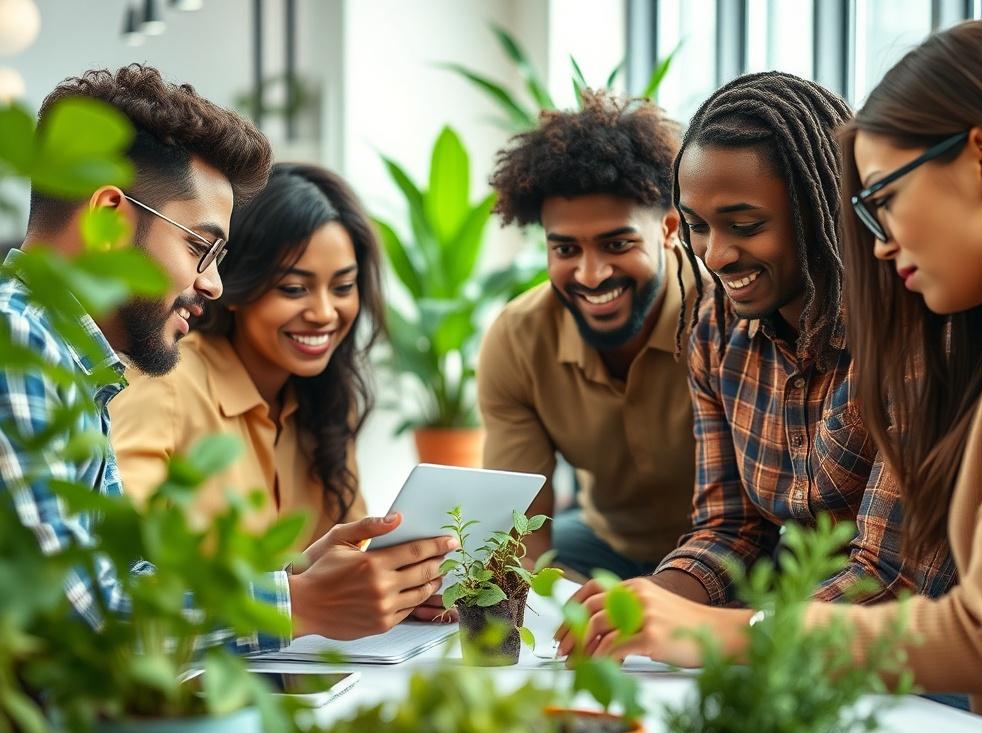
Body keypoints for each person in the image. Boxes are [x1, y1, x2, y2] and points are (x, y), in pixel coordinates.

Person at [560, 18, 982, 726]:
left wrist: (721, 633)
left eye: (885, 199)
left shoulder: (929, 323)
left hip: (911, 657)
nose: (882, 238)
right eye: (698, 227)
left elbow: (928, 598)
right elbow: (728, 527)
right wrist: (648, 610)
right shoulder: (717, 324)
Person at [0, 66, 453, 652]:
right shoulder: (18, 341)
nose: (213, 285)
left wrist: (292, 581)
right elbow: (70, 623)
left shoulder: (78, 364)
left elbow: (126, 583)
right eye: (199, 247)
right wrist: (297, 605)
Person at [111, 162, 450, 626]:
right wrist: (295, 599)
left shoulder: (323, 401)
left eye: (344, 287)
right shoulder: (163, 384)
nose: (325, 313)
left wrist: (396, 589)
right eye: (294, 288)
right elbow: (115, 584)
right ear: (235, 285)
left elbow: (328, 577)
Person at [479, 90, 702, 579]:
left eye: (617, 244)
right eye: (565, 250)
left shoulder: (723, 315)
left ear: (668, 228)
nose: (591, 274)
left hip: (732, 549)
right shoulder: (519, 340)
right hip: (605, 547)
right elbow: (518, 532)